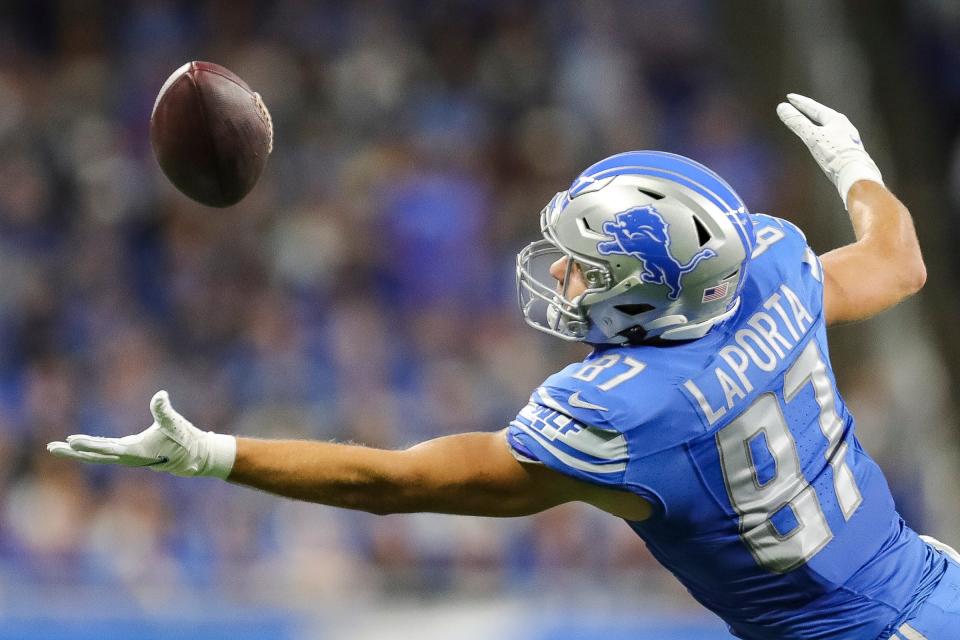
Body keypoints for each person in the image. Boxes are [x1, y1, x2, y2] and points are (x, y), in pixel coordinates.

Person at [48, 94, 960, 639]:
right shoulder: (767, 276)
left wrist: (213, 454)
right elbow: (896, 262)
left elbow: (392, 484)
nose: (563, 274)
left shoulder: (636, 411)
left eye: (589, 268)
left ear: (652, 294)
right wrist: (856, 166)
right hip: (935, 577)